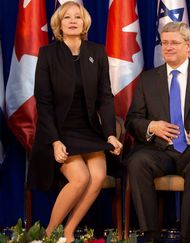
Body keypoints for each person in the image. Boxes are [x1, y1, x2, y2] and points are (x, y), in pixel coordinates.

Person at [125, 22, 190, 243]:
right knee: (136, 162)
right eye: (164, 43)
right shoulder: (148, 79)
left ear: (188, 45)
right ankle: (151, 235)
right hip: (159, 150)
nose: (168, 47)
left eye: (174, 42)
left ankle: (186, 236)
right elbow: (132, 120)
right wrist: (151, 126)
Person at [27, 2, 122, 242]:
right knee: (81, 178)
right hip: (60, 131)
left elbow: (105, 98)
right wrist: (55, 141)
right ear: (59, 24)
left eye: (77, 17)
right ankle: (49, 234)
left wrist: (110, 134)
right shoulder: (48, 54)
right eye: (66, 17)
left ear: (84, 23)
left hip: (88, 130)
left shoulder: (97, 52)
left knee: (99, 177)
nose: (72, 21)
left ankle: (68, 232)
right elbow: (44, 103)